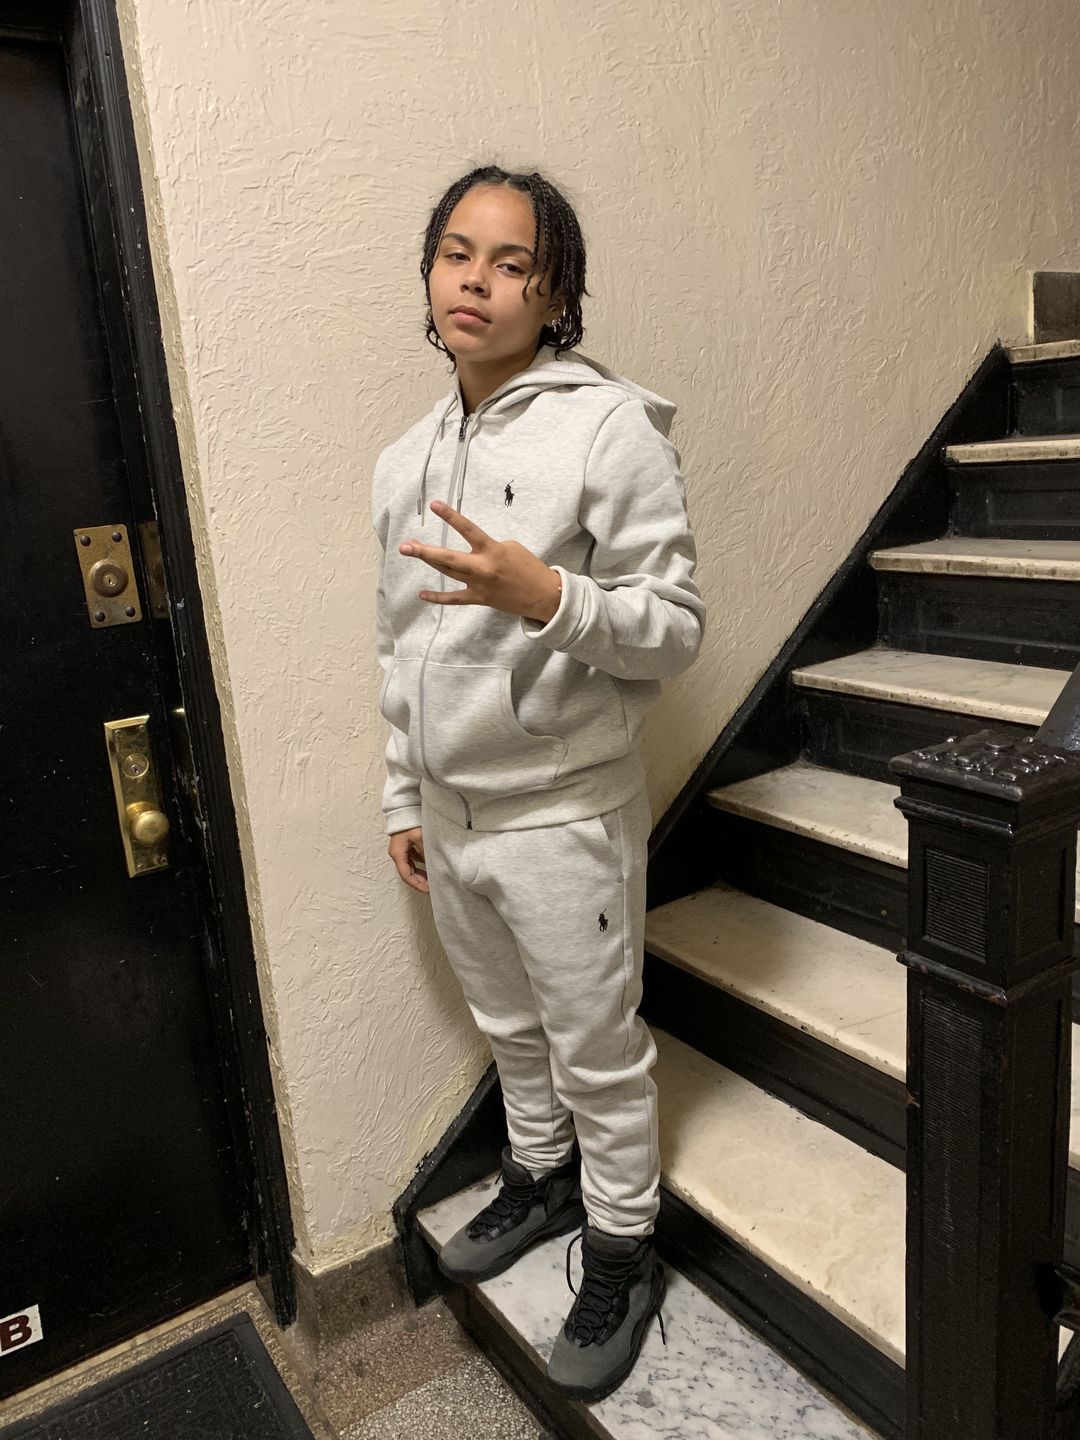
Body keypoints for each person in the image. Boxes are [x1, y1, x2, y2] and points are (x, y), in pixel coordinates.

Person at [371, 164, 706, 1403]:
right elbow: (397, 642)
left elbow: (676, 627)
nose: (477, 280)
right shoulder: (402, 460)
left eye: (513, 263)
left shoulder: (609, 430)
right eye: (457, 252)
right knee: (510, 1031)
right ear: (430, 271)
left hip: (564, 815)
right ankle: (536, 1177)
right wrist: (405, 795)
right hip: (451, 816)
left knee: (595, 1049)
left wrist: (549, 596)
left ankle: (621, 1248)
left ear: (554, 295)